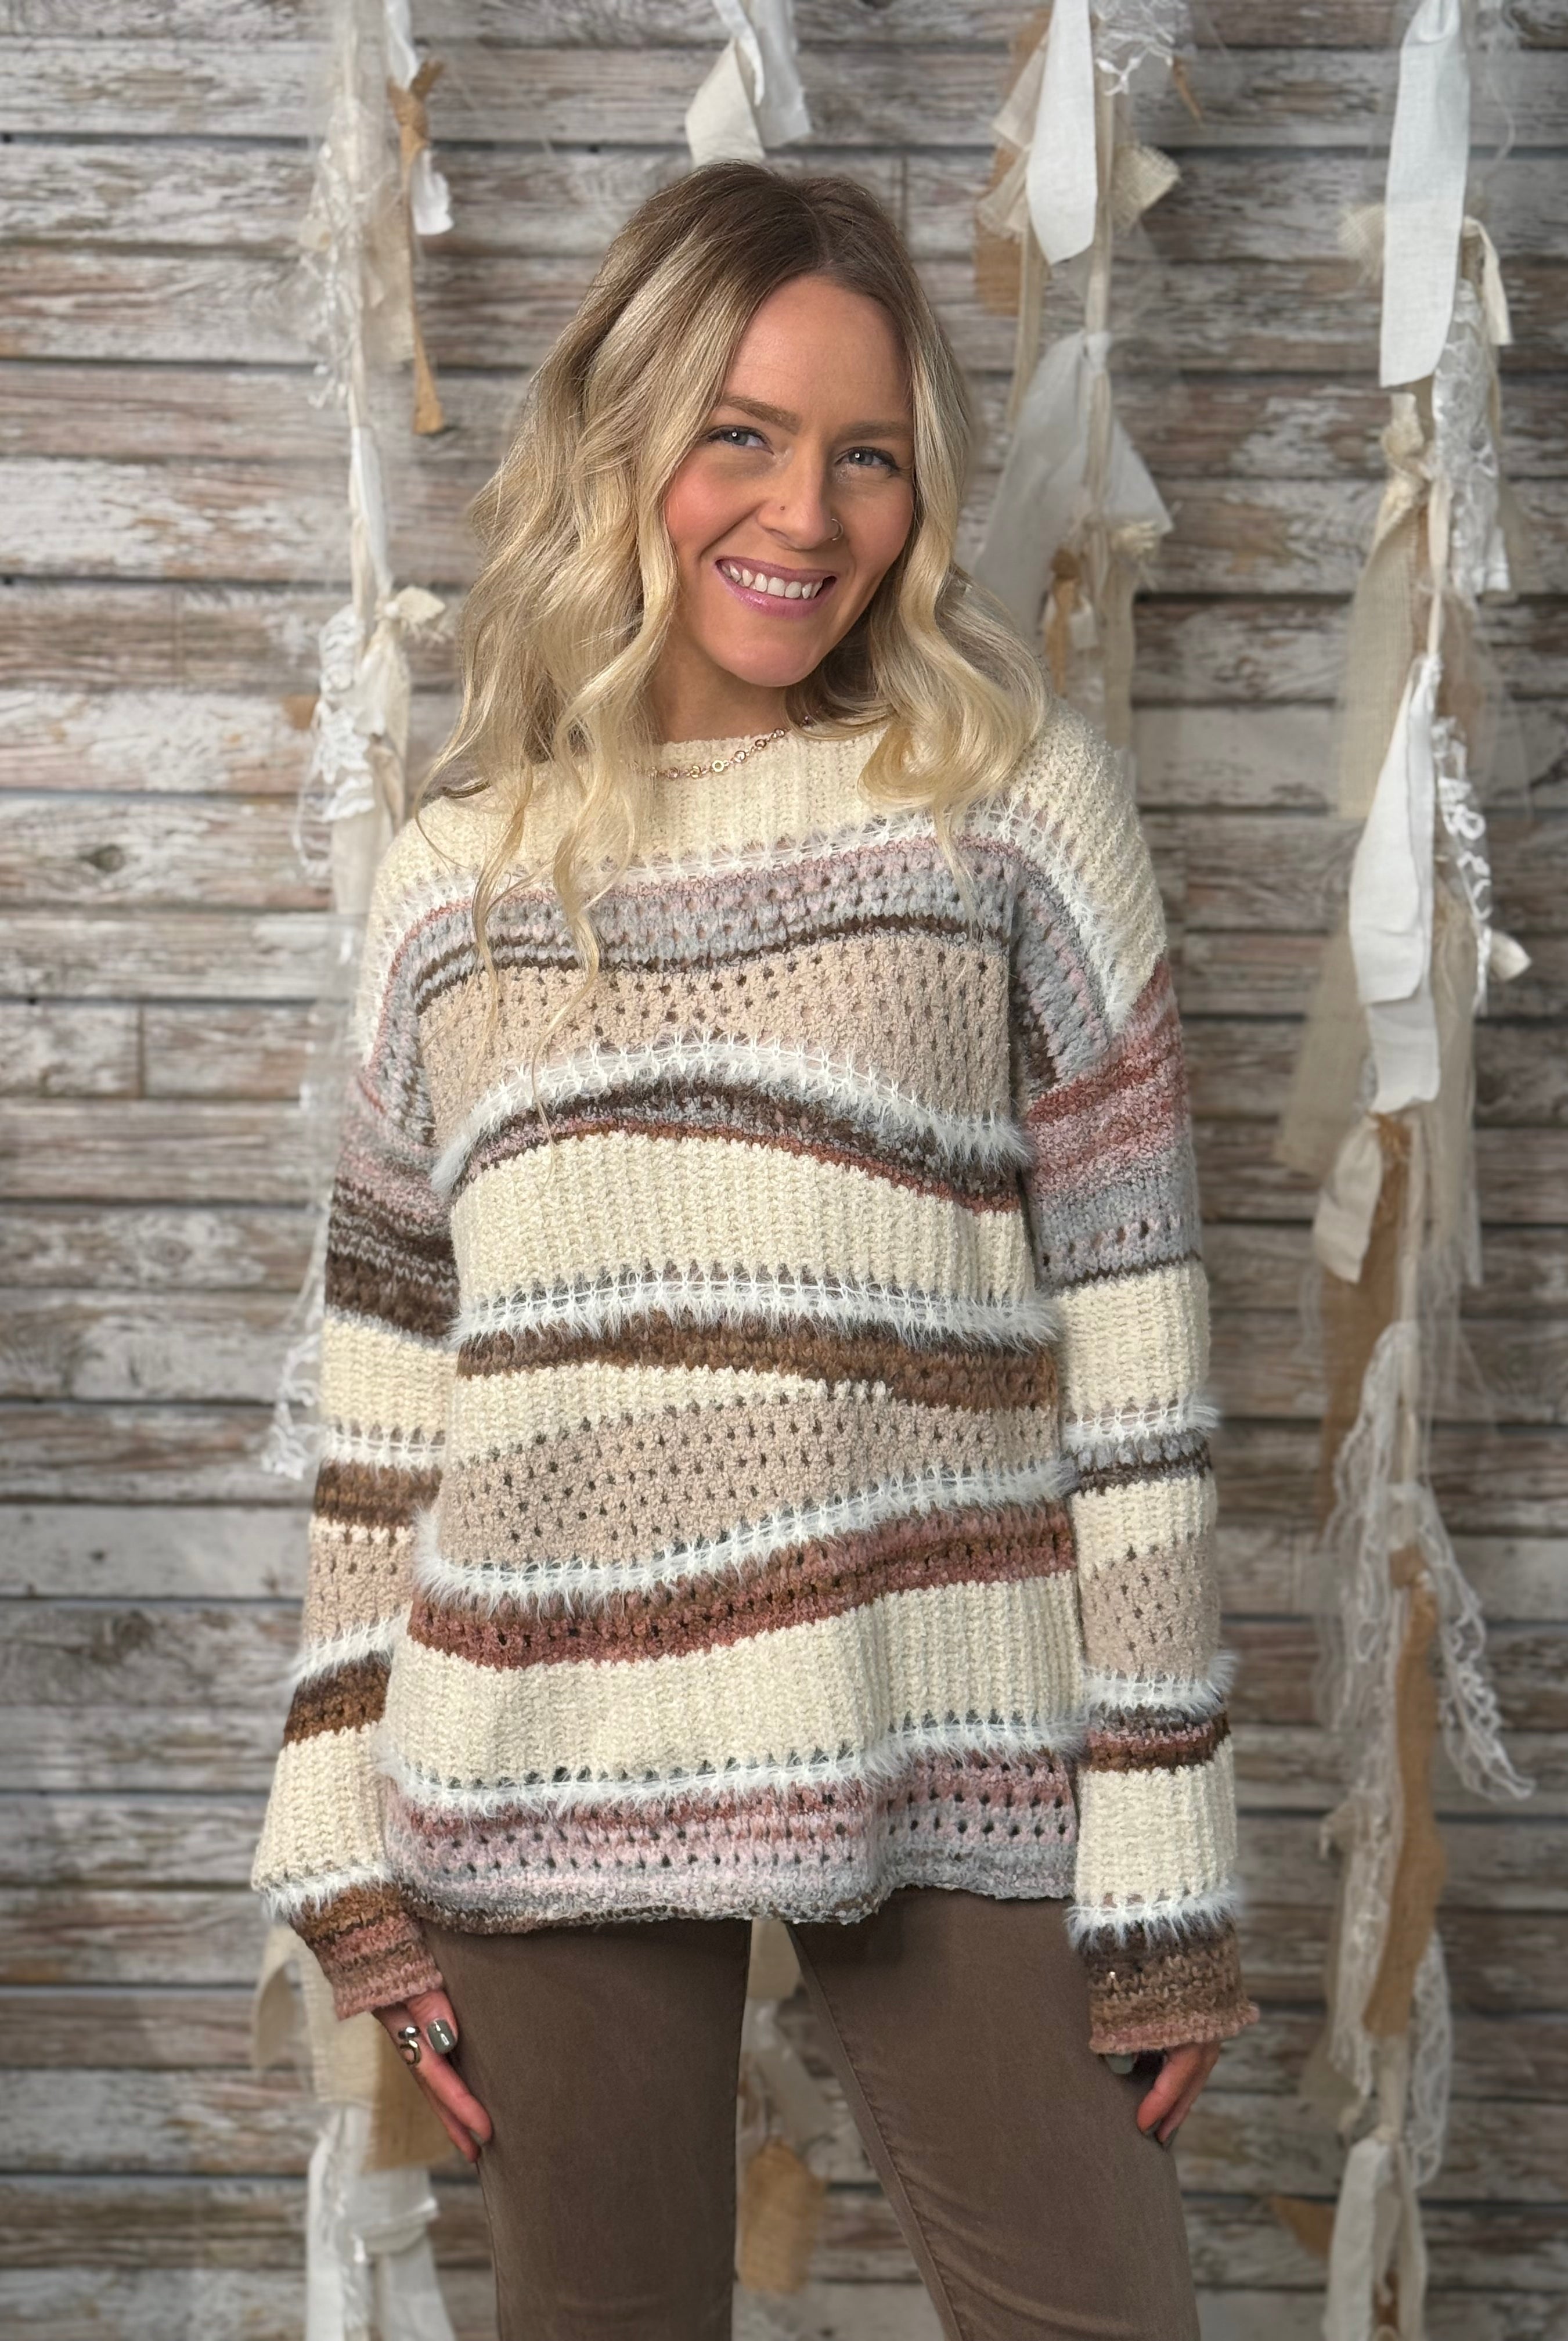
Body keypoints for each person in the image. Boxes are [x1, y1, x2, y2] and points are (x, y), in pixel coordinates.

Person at [253, 161, 1257, 2340]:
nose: (807, 514)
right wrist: (332, 1826)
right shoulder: (454, 881)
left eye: (867, 455)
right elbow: (390, 1388)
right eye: (744, 434)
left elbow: (1139, 1345)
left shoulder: (1012, 807)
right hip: (538, 1741)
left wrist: (1166, 1820)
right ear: (626, 442)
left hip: (955, 1717)